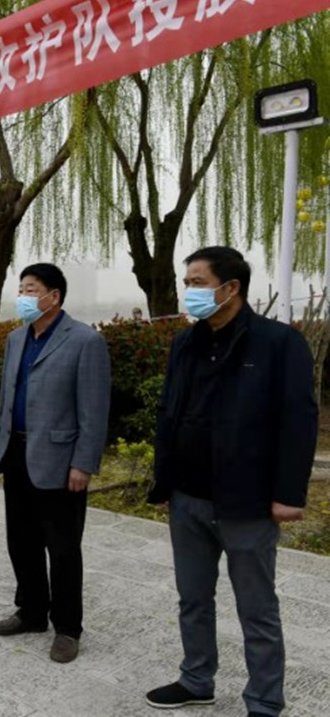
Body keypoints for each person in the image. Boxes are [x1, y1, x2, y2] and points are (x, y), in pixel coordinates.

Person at [145, 247, 317, 717]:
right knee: (193, 599)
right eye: (188, 282)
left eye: (198, 281)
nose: (190, 291)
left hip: (248, 501)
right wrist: (165, 483)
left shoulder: (279, 343)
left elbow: (299, 421)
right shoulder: (186, 343)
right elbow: (169, 414)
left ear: (230, 287)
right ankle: (196, 679)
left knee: (257, 609)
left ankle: (264, 700)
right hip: (189, 498)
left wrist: (288, 494)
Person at [0, 263, 111, 663]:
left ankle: (67, 628)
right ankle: (31, 611)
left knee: (61, 548)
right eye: (21, 289)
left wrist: (84, 464)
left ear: (53, 296)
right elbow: (7, 398)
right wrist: (0, 446)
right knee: (20, 542)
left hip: (60, 462)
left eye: (31, 289)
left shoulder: (84, 341)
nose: (23, 297)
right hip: (17, 454)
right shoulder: (15, 338)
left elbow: (93, 411)